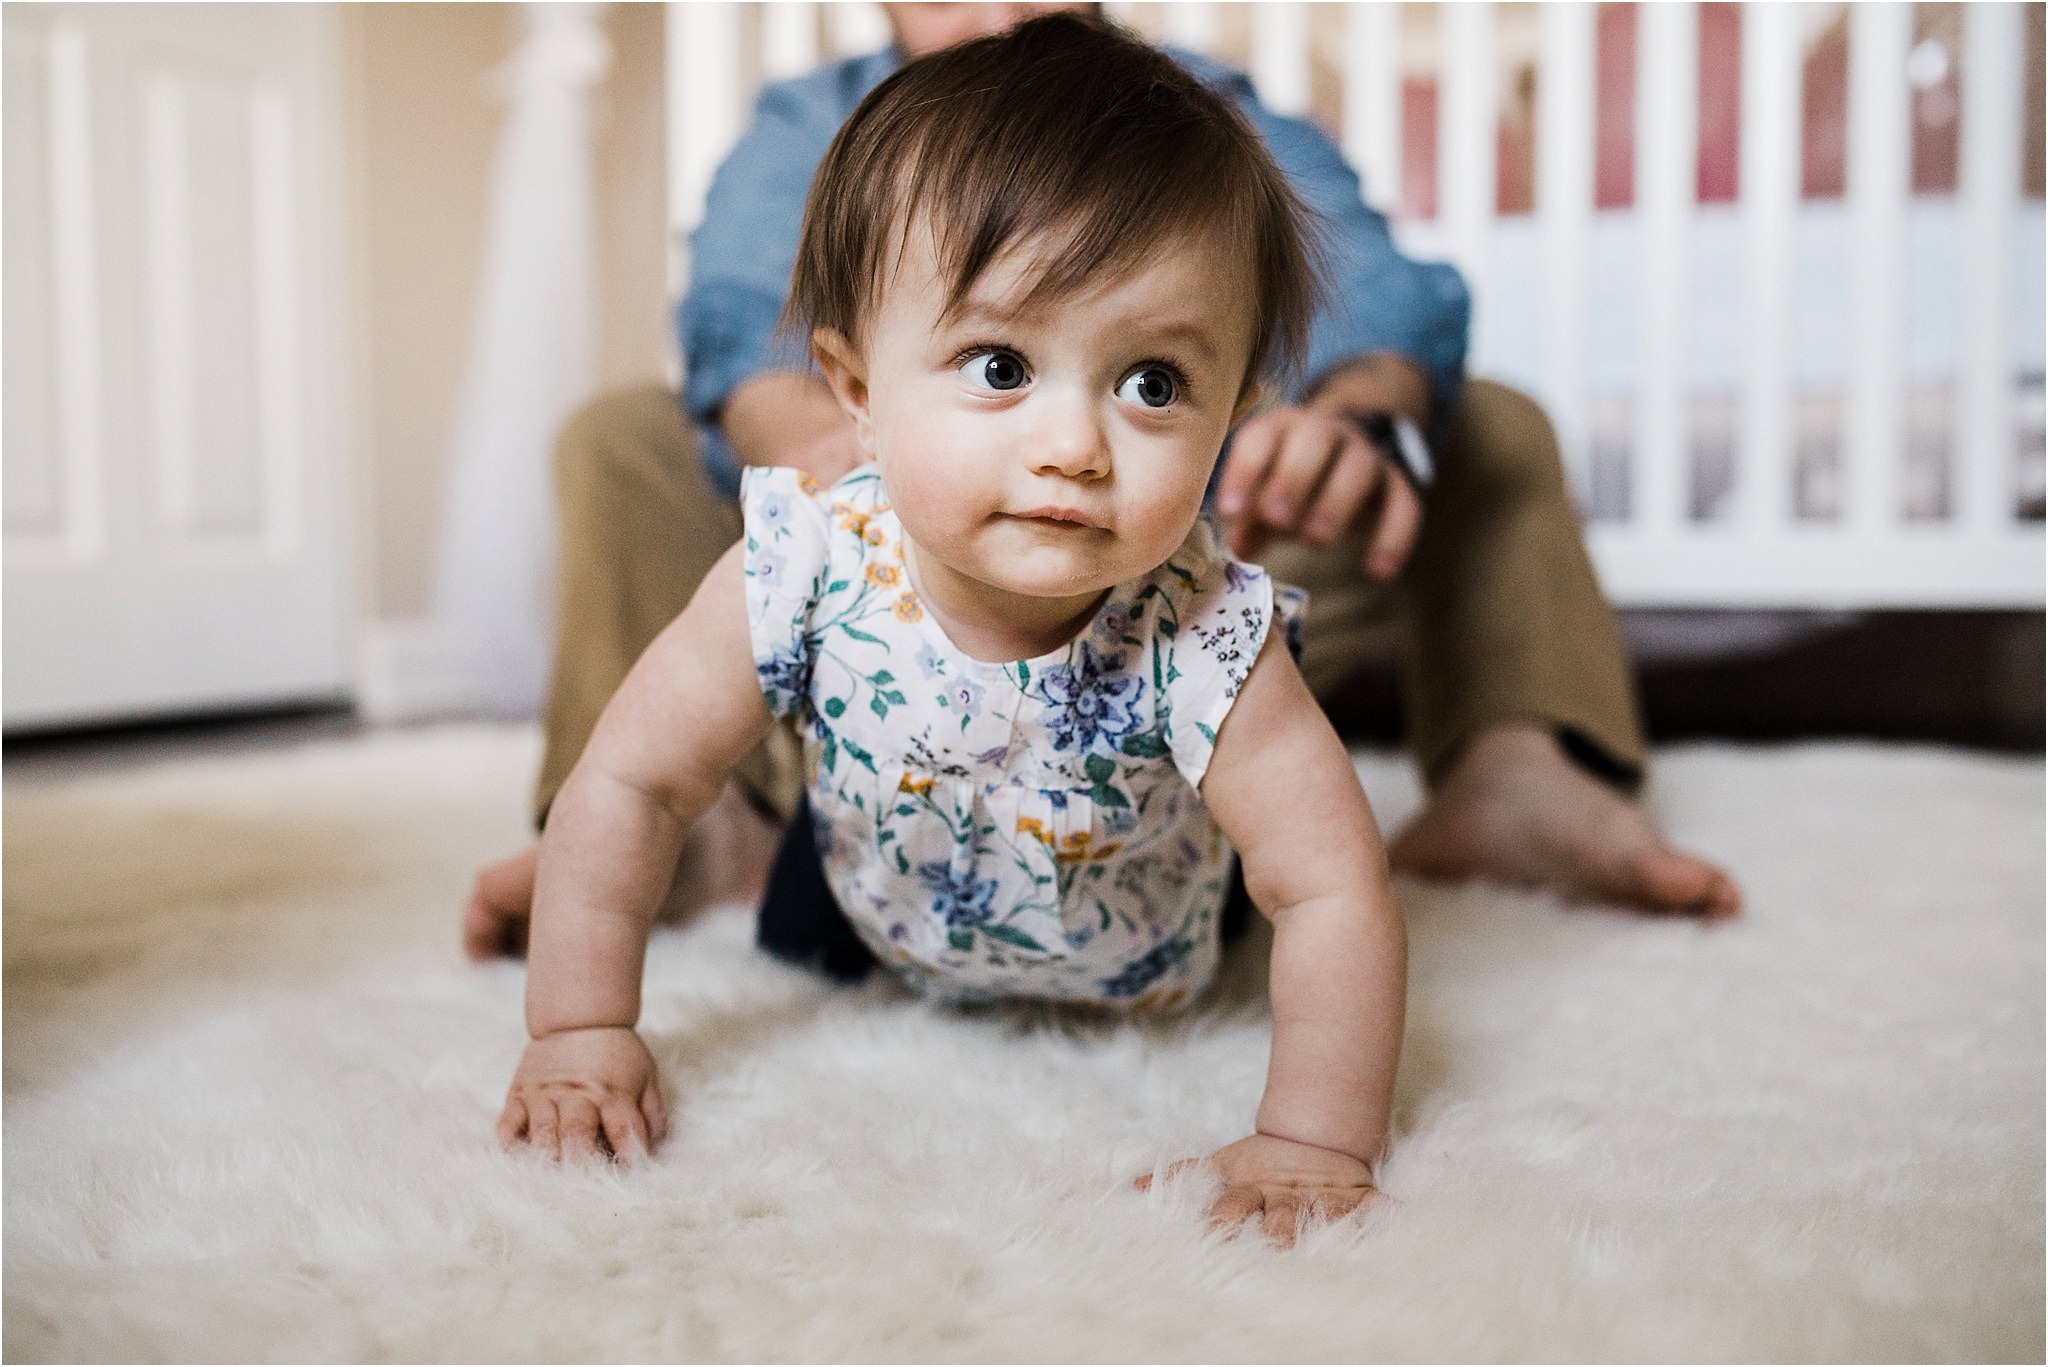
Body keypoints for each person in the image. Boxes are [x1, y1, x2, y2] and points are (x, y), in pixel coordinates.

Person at [461, 1, 1739, 963]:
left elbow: (1374, 285)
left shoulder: (1191, 107)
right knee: (618, 435)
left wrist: (1356, 412)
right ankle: (688, 820)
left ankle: (1519, 764)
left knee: (1486, 420)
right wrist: (851, 443)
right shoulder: (817, 123)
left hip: (1165, 598)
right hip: (865, 623)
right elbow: (744, 325)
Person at [499, 18, 1404, 1245]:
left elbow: (1331, 883)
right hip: (863, 904)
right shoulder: (805, 558)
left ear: (1233, 415)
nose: (1073, 446)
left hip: (1147, 935)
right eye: (997, 365)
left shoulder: (1201, 624)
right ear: (858, 393)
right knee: (756, 852)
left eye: (1151, 384)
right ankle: (746, 852)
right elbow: (635, 777)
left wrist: (1311, 1138)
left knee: (1285, 859)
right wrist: (580, 1030)